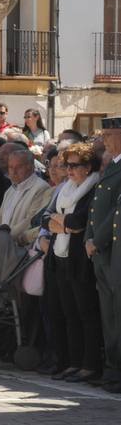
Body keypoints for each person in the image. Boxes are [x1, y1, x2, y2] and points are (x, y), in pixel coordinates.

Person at [42, 142, 103, 384]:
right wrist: (64, 223)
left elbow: (80, 222)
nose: (69, 170)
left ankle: (89, 365)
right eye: (66, 165)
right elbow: (44, 218)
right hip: (60, 256)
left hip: (80, 260)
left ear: (88, 167)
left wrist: (62, 222)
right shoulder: (64, 188)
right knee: (68, 313)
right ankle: (72, 362)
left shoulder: (94, 188)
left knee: (86, 313)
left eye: (74, 166)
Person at [85, 118, 121, 392]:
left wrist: (96, 240)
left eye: (109, 134)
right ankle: (112, 369)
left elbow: (116, 213)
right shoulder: (112, 166)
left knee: (117, 314)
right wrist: (89, 238)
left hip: (111, 249)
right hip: (102, 252)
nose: (103, 140)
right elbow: (96, 208)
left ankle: (115, 371)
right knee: (108, 315)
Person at [0, 141, 51, 246]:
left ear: (30, 167)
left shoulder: (41, 188)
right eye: (11, 167)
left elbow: (30, 220)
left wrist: (4, 237)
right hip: (3, 244)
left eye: (18, 167)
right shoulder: (11, 189)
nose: (13, 172)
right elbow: (0, 215)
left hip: (22, 246)